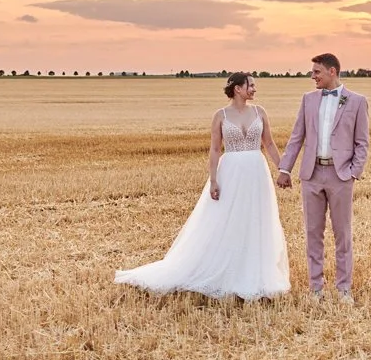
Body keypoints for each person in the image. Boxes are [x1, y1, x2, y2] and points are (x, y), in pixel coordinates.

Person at [115, 72, 290, 300]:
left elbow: (269, 143)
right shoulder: (220, 115)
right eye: (251, 85)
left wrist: (282, 169)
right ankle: (226, 270)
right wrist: (214, 179)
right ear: (238, 88)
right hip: (232, 172)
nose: (255, 89)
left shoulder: (260, 112)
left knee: (257, 218)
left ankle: (254, 271)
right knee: (227, 219)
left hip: (257, 171)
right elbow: (216, 149)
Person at [276, 53, 369, 303]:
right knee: (313, 233)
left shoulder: (358, 101)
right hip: (311, 175)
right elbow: (297, 136)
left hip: (341, 177)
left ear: (332, 71)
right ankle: (315, 288)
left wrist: (353, 173)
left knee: (342, 234)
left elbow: (362, 143)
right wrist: (285, 169)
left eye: (316, 72)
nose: (312, 76)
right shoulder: (308, 100)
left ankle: (344, 289)